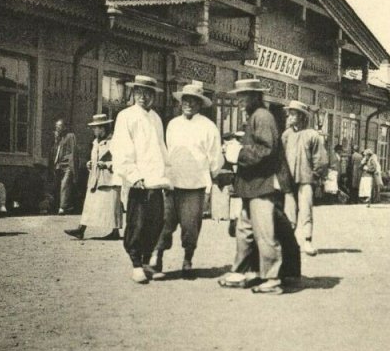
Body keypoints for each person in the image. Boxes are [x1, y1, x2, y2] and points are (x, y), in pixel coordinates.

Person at [218, 79, 293, 295]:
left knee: (264, 233)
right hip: (252, 185)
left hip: (263, 184)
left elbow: (267, 148)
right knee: (244, 230)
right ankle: (243, 271)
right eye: (239, 96)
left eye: (245, 96)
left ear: (256, 97)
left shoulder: (262, 116)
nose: (241, 101)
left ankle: (272, 278)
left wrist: (239, 153)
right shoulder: (256, 116)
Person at [151, 81, 224, 279]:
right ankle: (157, 259)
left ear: (200, 104)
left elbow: (216, 158)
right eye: (185, 100)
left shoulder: (208, 127)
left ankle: (187, 260)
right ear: (180, 103)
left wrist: (211, 177)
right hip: (172, 184)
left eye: (193, 101)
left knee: (190, 226)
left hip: (195, 185)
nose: (189, 104)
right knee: (164, 223)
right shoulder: (173, 125)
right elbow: (167, 152)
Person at [110, 75, 171, 284]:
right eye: (138, 93)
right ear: (133, 94)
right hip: (139, 181)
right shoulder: (126, 116)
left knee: (155, 222)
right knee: (137, 223)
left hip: (156, 179)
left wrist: (167, 175)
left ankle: (146, 262)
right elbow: (121, 148)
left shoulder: (155, 118)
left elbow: (161, 149)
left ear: (153, 96)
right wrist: (133, 175)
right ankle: (136, 264)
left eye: (147, 93)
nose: (142, 97)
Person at [281, 100, 328, 256]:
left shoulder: (312, 135)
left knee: (306, 210)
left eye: (293, 113)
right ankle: (289, 243)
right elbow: (280, 156)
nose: (290, 116)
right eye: (289, 113)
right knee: (289, 212)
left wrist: (315, 175)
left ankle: (307, 241)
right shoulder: (286, 135)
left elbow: (320, 159)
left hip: (306, 180)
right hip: (288, 180)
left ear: (301, 116)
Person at [64, 114, 121, 241]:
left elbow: (121, 160)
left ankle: (115, 231)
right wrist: (90, 164)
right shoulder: (95, 142)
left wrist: (107, 164)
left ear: (103, 128)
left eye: (95, 128)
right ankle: (81, 229)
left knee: (112, 206)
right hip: (95, 179)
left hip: (109, 179)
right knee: (89, 205)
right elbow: (95, 157)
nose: (94, 130)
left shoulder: (114, 142)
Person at [51, 118, 78, 214]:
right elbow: (54, 152)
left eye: (59, 126)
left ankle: (62, 207)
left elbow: (73, 152)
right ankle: (64, 206)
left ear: (65, 127)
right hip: (59, 166)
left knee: (65, 185)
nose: (57, 128)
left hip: (68, 166)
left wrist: (73, 167)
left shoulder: (70, 136)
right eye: (56, 126)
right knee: (58, 185)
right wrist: (55, 140)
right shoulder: (59, 138)